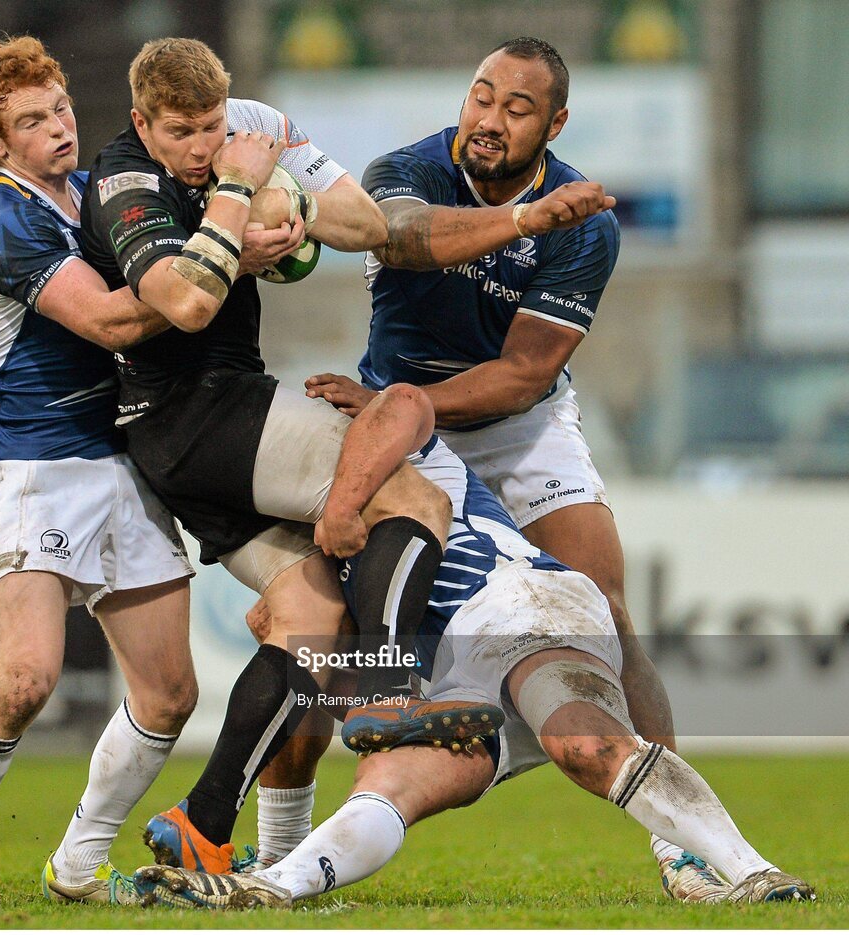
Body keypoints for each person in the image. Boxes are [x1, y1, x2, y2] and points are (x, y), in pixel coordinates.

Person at [80, 37, 519, 876]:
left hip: (202, 439)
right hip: (197, 412)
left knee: (311, 625)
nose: (204, 146)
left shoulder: (255, 128)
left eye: (213, 126)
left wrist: (295, 210)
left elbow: (372, 225)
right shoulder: (124, 177)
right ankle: (389, 691)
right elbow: (184, 301)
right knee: (412, 499)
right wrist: (240, 194)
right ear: (143, 121)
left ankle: (202, 823)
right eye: (182, 133)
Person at [131, 388, 816, 910]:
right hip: (458, 680)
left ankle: (756, 873)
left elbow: (406, 403)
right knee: (387, 783)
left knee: (582, 743)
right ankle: (271, 885)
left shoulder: (367, 453)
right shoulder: (315, 558)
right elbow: (327, 680)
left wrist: (342, 497)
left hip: (519, 607)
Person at [303, 35, 704, 899]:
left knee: (607, 611)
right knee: (313, 618)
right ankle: (277, 840)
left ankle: (687, 847)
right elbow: (404, 240)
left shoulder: (584, 219)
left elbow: (524, 373)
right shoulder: (404, 170)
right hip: (400, 421)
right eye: (481, 96)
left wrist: (401, 405)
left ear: (553, 124)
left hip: (517, 425)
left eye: (517, 108)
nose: (490, 118)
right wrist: (397, 412)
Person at [0, 36, 222, 910]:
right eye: (31, 120)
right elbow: (106, 319)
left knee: (171, 691)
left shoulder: (89, 194)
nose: (59, 126)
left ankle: (75, 863)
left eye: (59, 106)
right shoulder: (4, 217)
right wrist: (217, 260)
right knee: (25, 681)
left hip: (119, 465)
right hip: (34, 467)